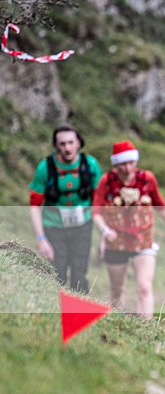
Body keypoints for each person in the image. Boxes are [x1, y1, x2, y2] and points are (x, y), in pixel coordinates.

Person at [92, 140, 165, 318]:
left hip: (143, 238)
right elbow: (97, 212)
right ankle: (116, 322)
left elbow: (159, 204)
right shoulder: (106, 181)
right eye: (123, 163)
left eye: (131, 162)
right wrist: (104, 230)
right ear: (116, 164)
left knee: (144, 287)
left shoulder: (147, 179)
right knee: (117, 289)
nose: (128, 167)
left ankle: (147, 328)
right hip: (116, 240)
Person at [29, 125, 103, 293]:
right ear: (56, 145)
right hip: (53, 227)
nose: (67, 148)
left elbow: (99, 201)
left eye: (70, 142)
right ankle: (54, 312)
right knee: (56, 273)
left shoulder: (90, 165)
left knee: (79, 274)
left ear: (78, 143)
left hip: (82, 227)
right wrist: (41, 239)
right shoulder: (45, 167)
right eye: (62, 144)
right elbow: (34, 205)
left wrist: (104, 232)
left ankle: (79, 313)